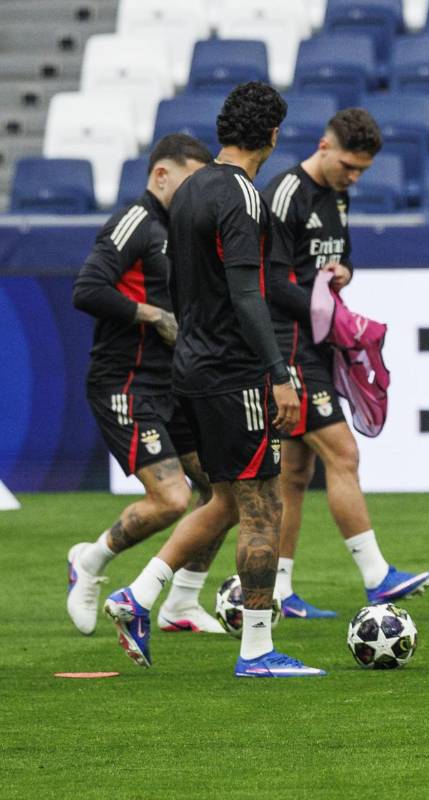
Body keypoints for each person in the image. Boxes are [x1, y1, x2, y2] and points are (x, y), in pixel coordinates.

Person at [103, 82, 324, 678]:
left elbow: (178, 285)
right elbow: (248, 294)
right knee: (262, 506)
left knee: (224, 498)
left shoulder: (189, 191)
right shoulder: (244, 197)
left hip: (190, 369)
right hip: (233, 373)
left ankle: (136, 596)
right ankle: (256, 649)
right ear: (273, 136)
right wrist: (277, 373)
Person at [260, 107, 429, 619]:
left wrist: (341, 275)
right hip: (287, 341)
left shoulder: (337, 193)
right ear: (323, 146)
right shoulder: (286, 194)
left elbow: (340, 259)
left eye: (361, 170)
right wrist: (324, 308)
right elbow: (270, 282)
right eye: (348, 167)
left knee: (295, 472)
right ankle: (377, 576)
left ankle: (279, 590)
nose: (353, 177)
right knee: (343, 453)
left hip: (314, 340)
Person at [69, 133, 229, 637]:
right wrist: (153, 314)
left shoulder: (184, 231)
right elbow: (88, 288)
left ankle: (182, 603)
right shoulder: (134, 223)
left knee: (226, 491)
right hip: (126, 383)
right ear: (161, 175)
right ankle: (90, 563)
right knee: (171, 500)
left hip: (177, 384)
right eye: (189, 183)